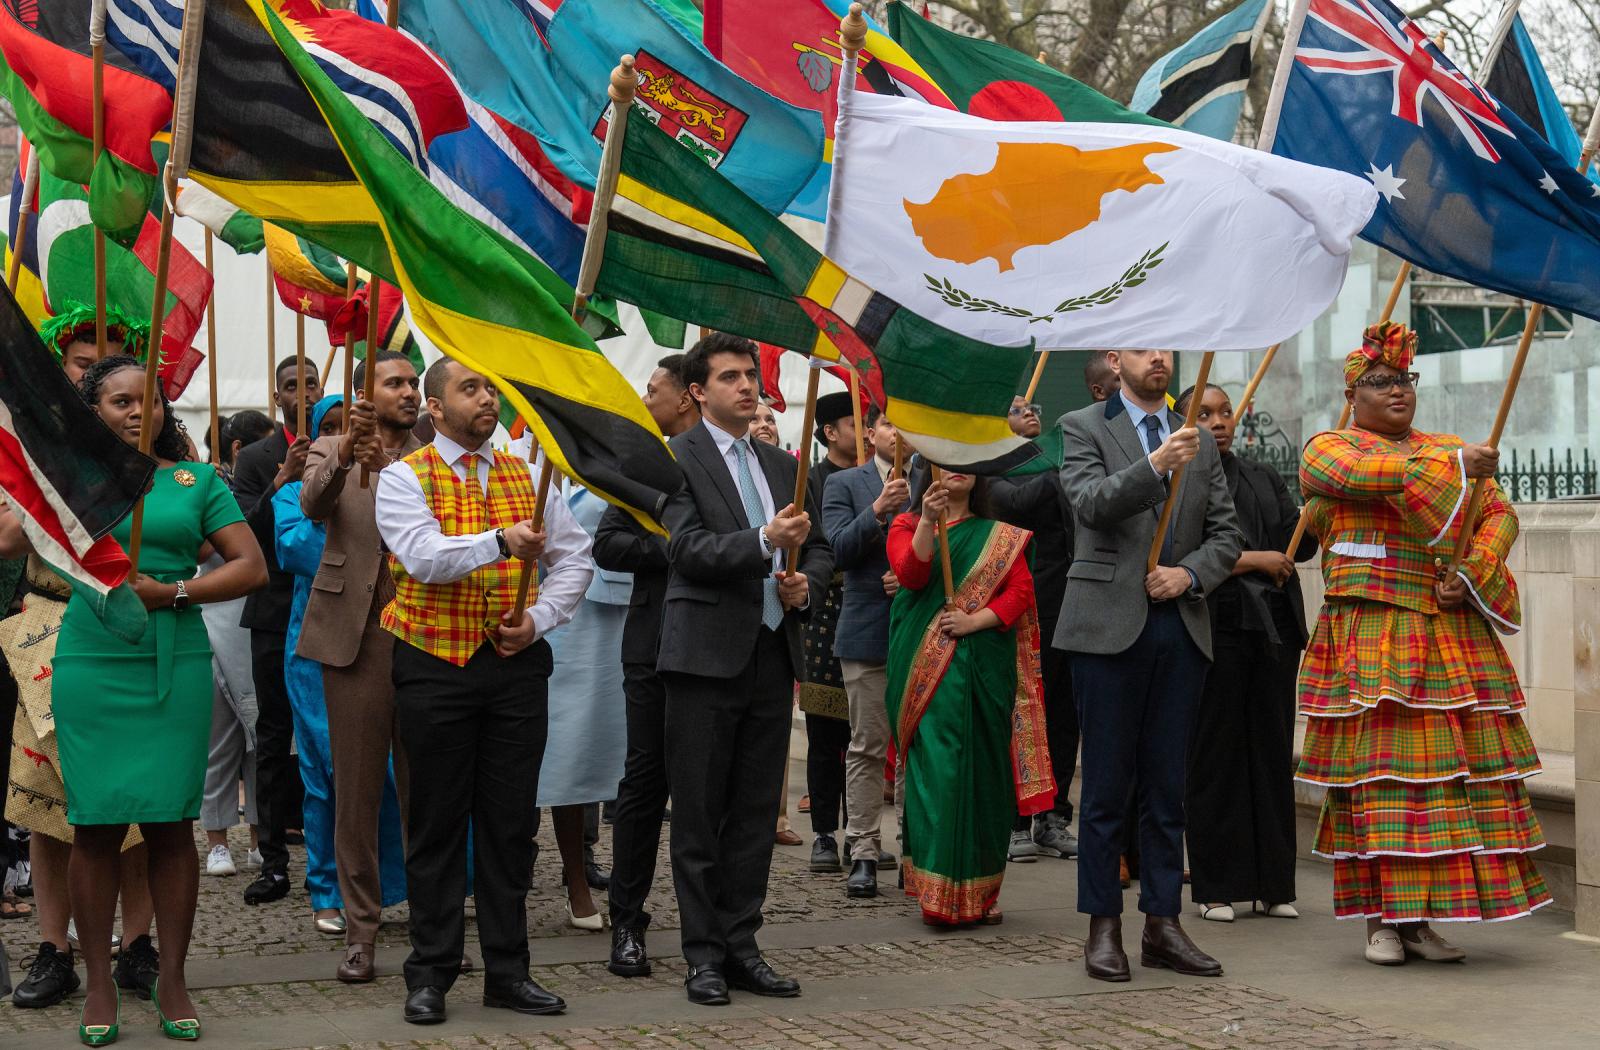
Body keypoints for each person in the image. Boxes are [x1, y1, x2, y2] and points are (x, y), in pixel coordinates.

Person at [0, 354, 268, 1042]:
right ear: (93, 412)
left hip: (173, 658)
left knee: (171, 823)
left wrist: (174, 591)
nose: (133, 411)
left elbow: (250, 566)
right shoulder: (65, 484)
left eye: (146, 401)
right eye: (117, 400)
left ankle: (170, 978)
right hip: (90, 657)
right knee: (92, 822)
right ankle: (96, 984)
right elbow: (8, 541)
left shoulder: (196, 480)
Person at [1296, 323, 1549, 964]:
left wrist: (1470, 571)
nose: (1397, 391)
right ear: (1352, 393)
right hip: (1373, 636)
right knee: (1383, 782)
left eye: (1405, 379)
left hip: (1448, 637)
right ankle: (1381, 920)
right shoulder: (1328, 448)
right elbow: (1364, 474)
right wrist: (1456, 464)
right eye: (1380, 382)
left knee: (1444, 786)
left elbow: (1500, 513)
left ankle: (1419, 922)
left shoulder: (1444, 447)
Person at [376, 357, 591, 1024]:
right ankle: (430, 974)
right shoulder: (401, 477)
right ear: (434, 409)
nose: (487, 398)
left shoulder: (529, 471)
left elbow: (575, 556)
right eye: (470, 388)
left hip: (514, 667)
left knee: (510, 826)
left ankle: (509, 972)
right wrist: (502, 540)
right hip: (434, 665)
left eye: (491, 387)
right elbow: (422, 556)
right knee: (437, 822)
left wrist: (541, 618)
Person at [656, 333, 831, 1006]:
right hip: (703, 655)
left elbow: (816, 550)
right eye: (730, 377)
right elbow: (687, 550)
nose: (747, 386)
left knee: (756, 812)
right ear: (699, 391)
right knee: (700, 811)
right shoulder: (677, 459)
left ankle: (741, 945)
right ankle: (701, 955)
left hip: (768, 651)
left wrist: (803, 586)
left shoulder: (782, 462)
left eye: (750, 376)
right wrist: (763, 543)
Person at [1058, 347, 1243, 983]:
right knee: (1107, 787)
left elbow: (1226, 535)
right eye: (1144, 347)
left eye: (1166, 347)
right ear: (1116, 360)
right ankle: (1101, 926)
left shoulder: (1200, 441)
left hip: (1178, 624)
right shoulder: (1083, 426)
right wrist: (1154, 463)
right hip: (1106, 627)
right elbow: (1090, 505)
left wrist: (1189, 573)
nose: (1159, 357)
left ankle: (1163, 923)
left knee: (1168, 788)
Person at [4, 309, 158, 1011]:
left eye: (123, 366)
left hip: (133, 638)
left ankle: (139, 945)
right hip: (47, 631)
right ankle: (54, 950)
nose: (95, 373)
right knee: (47, 807)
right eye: (82, 364)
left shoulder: (163, 460)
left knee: (134, 804)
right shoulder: (28, 451)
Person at [886, 465, 1053, 925]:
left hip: (984, 664)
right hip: (927, 669)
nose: (956, 472)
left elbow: (1020, 590)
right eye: (945, 464)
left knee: (985, 774)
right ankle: (937, 893)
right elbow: (911, 575)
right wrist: (925, 520)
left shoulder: (999, 534)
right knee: (939, 773)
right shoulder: (904, 524)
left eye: (966, 465)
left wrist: (972, 621)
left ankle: (981, 891)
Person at [1176, 383, 1315, 923]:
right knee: (1216, 754)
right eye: (1205, 413)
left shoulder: (1260, 475)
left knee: (1272, 751)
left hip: (1272, 631)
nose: (1219, 421)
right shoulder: (1179, 480)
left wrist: (1314, 509)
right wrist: (1254, 560)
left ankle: (1274, 884)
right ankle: (1215, 885)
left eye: (1225, 412)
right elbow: (1181, 553)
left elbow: (1297, 544)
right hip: (1212, 627)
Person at [299, 351, 417, 983]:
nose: (407, 391)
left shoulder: (434, 449)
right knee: (357, 790)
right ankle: (361, 929)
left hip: (427, 635)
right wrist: (348, 451)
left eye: (412, 383)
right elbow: (314, 506)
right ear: (363, 392)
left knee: (426, 785)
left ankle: (434, 920)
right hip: (357, 633)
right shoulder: (331, 446)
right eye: (393, 383)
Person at [276, 395, 395, 941]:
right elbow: (299, 549)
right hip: (318, 642)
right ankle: (326, 887)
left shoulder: (401, 475)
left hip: (385, 636)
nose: (338, 434)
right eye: (328, 428)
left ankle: (391, 889)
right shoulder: (293, 492)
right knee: (327, 775)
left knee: (390, 775)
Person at [600, 354, 699, 978]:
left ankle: (716, 930)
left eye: (653, 388)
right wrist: (683, 549)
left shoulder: (753, 463)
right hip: (656, 647)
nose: (645, 396)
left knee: (711, 794)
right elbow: (608, 543)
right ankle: (627, 923)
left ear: (686, 396)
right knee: (644, 785)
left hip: (724, 648)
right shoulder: (647, 464)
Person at [232, 354, 322, 906]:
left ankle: (336, 856)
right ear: (278, 396)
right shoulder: (258, 458)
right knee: (273, 734)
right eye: (293, 386)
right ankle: (273, 859)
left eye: (311, 383)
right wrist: (285, 477)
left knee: (331, 733)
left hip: (330, 609)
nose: (304, 393)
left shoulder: (342, 445)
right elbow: (245, 531)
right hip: (273, 612)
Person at [821, 409, 909, 899]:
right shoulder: (845, 483)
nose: (899, 434)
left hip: (922, 632)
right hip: (867, 631)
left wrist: (917, 576)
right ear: (871, 433)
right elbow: (836, 549)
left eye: (906, 425)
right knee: (868, 746)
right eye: (890, 424)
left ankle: (919, 850)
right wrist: (876, 510)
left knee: (920, 747)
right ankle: (864, 851)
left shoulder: (937, 479)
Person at [990, 394, 1080, 864]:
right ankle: (1012, 821)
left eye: (1033, 406)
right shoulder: (992, 464)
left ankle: (1054, 816)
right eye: (1016, 407)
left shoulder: (1052, 460)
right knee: (1023, 712)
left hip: (1070, 604)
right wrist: (1059, 468)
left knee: (1064, 714)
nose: (1030, 412)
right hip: (1019, 604)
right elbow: (1014, 504)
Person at [538, 471, 630, 932]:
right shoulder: (520, 459)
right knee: (553, 757)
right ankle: (542, 875)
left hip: (604, 622)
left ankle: (606, 884)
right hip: (538, 618)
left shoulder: (610, 463)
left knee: (595, 757)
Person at [200, 410, 275, 877]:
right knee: (219, 739)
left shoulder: (254, 487)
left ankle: (258, 835)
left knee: (258, 736)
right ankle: (216, 840)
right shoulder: (203, 483)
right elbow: (204, 548)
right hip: (213, 619)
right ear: (236, 450)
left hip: (254, 619)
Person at [799, 391, 859, 874]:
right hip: (825, 614)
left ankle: (862, 833)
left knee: (870, 734)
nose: (865, 429)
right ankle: (823, 833)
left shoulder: (890, 476)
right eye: (854, 421)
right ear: (829, 432)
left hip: (873, 609)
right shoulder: (810, 481)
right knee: (825, 733)